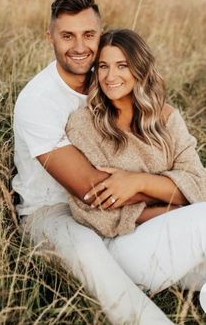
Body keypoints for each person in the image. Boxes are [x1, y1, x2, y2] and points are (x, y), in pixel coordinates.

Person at [12, 0, 201, 325]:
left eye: (89, 35)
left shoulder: (107, 83)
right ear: (50, 38)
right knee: (87, 250)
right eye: (67, 36)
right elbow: (94, 191)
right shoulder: (39, 101)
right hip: (52, 210)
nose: (80, 47)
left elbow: (138, 184)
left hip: (129, 216)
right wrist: (177, 196)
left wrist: (141, 184)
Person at [66, 29, 206, 242]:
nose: (110, 77)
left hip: (186, 225)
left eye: (122, 65)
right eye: (103, 66)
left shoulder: (166, 116)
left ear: (139, 69)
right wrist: (170, 209)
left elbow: (199, 184)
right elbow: (91, 206)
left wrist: (138, 182)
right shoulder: (83, 124)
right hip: (124, 238)